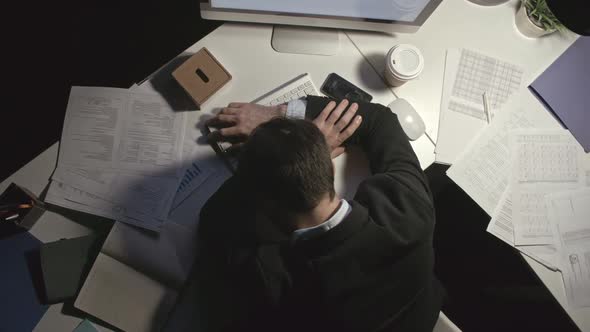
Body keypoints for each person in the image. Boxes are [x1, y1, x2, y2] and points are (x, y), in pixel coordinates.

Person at [191, 97, 443, 331]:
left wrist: (265, 165)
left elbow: (212, 219)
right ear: (329, 166)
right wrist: (294, 130)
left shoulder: (270, 283)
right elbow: (382, 120)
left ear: (265, 207)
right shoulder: (410, 212)